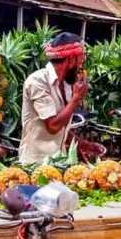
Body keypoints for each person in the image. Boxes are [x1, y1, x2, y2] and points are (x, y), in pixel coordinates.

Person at [18, 32, 105, 165]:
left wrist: (88, 146)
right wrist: (76, 99)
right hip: (35, 164)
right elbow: (53, 126)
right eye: (81, 59)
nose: (81, 65)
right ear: (70, 60)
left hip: (59, 163)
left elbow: (62, 133)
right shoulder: (37, 81)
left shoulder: (66, 84)